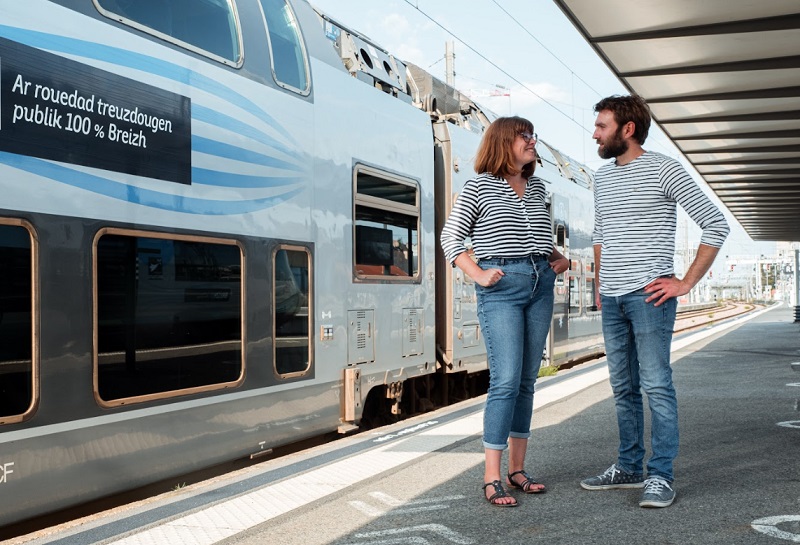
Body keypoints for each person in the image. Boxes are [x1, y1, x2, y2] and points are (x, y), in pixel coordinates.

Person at [581, 95, 729, 508]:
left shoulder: (664, 168)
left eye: (602, 126)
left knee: (656, 385)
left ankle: (661, 475)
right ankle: (629, 465)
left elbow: (715, 223)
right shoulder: (602, 177)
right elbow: (599, 234)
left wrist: (685, 282)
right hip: (611, 297)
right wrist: (599, 283)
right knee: (622, 386)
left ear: (627, 129)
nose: (595, 133)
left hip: (650, 295)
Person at [440, 116, 569, 507]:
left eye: (533, 134)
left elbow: (538, 237)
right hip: (503, 287)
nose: (533, 141)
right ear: (503, 142)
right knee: (506, 380)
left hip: (539, 282)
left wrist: (557, 257)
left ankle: (517, 471)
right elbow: (451, 237)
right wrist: (477, 273)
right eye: (525, 136)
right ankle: (491, 477)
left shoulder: (538, 186)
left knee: (528, 381)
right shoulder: (479, 186)